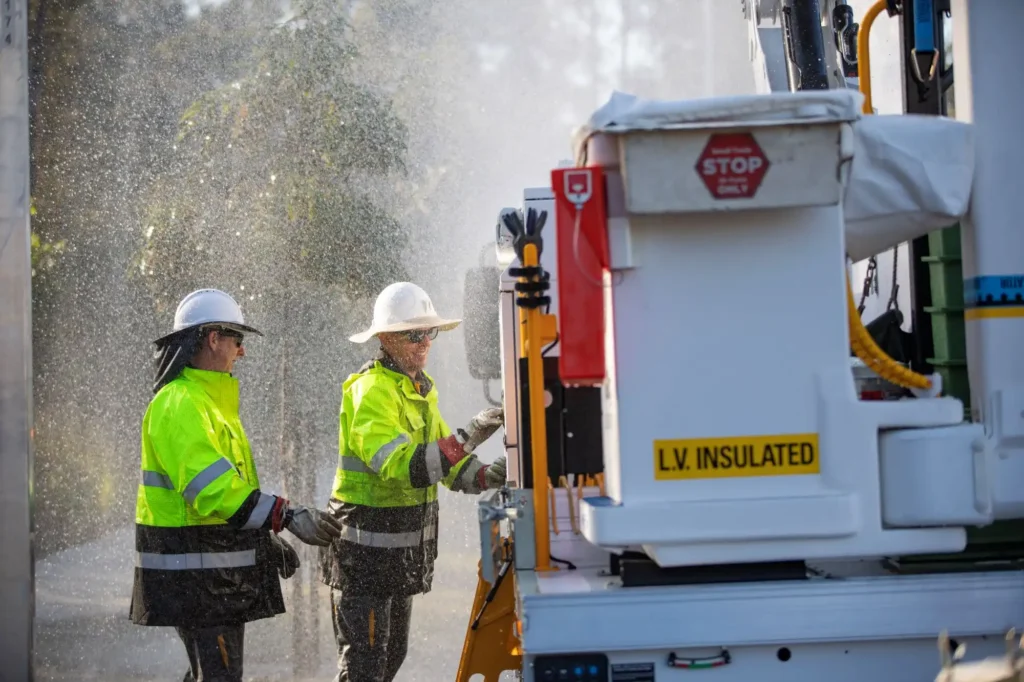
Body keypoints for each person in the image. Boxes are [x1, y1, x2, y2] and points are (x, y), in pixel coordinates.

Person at [130, 288, 344, 682]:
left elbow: (230, 495)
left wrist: (259, 539)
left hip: (209, 576)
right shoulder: (181, 402)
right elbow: (209, 489)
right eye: (237, 340)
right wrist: (285, 515)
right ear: (213, 338)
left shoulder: (209, 403)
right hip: (196, 579)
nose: (241, 352)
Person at [318, 281, 507, 682]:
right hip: (363, 559)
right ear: (386, 338)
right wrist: (468, 435)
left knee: (390, 660)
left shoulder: (420, 390)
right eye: (413, 334)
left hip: (394, 558)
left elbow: (448, 466)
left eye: (429, 333)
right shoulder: (371, 391)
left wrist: (485, 474)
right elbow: (406, 467)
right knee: (364, 669)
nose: (424, 343)